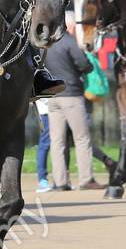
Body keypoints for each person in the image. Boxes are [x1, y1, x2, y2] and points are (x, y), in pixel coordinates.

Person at [43, 16, 102, 190]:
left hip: (52, 96)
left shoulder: (46, 46)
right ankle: (86, 179)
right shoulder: (70, 42)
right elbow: (84, 65)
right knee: (82, 138)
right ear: (68, 26)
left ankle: (60, 181)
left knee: (57, 141)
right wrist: (88, 64)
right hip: (71, 96)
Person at [35, 98, 52, 191]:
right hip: (46, 111)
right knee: (45, 143)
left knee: (59, 144)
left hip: (54, 109)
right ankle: (42, 179)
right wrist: (54, 101)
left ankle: (61, 180)